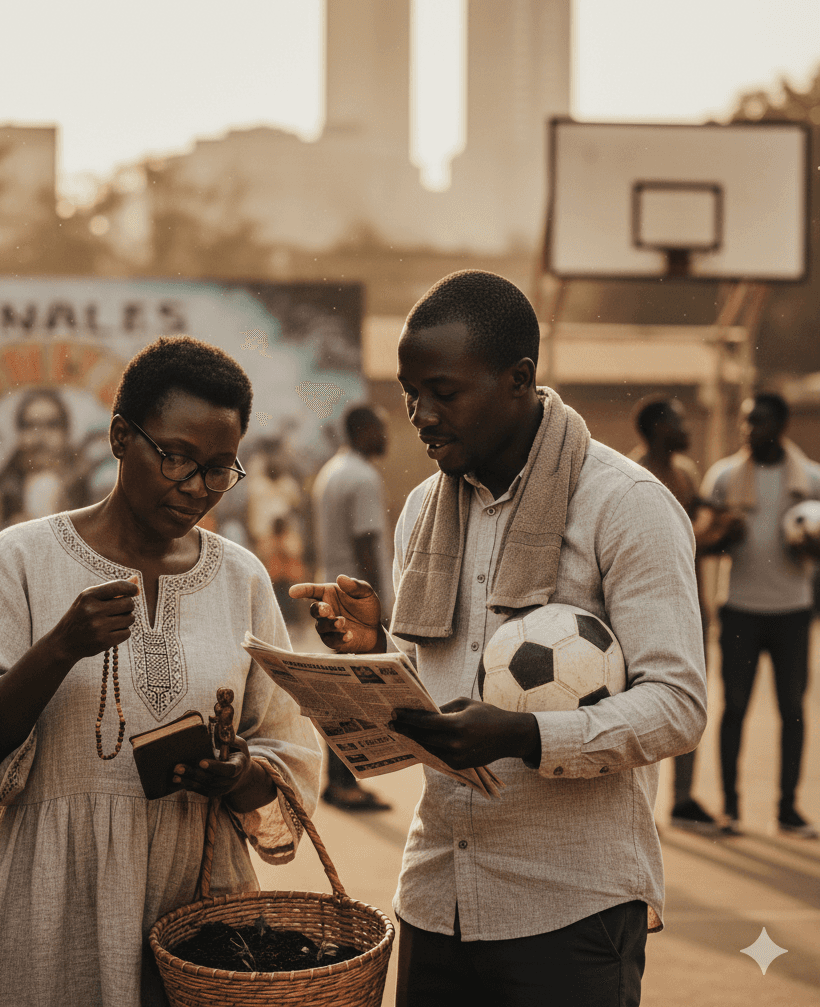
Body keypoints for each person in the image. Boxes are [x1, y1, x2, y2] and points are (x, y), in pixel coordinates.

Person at [292, 271, 706, 1007]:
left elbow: (677, 705)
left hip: (569, 905)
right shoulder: (422, 508)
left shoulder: (627, 506)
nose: (419, 413)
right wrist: (372, 648)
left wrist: (525, 736)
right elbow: (433, 680)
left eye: (443, 392)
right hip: (433, 895)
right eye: (409, 391)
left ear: (519, 380)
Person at [0, 335, 322, 1007]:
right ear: (118, 438)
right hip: (50, 896)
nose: (196, 487)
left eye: (219, 468)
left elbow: (285, 751)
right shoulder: (20, 559)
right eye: (175, 457)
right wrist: (58, 649)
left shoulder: (242, 579)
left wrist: (241, 773)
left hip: (196, 911)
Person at [698, 392, 820, 839]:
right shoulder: (726, 476)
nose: (749, 430)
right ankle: (730, 809)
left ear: (782, 425)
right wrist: (723, 536)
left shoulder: (809, 479)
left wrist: (811, 547)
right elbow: (701, 545)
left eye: (760, 422)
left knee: (793, 712)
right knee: (734, 710)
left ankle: (788, 810)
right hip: (740, 612)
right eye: (746, 421)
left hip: (792, 611)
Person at [629, 395, 717, 833]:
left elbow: (692, 534)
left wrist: (719, 528)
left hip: (692, 606)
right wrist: (712, 535)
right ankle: (642, 801)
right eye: (678, 420)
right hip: (645, 610)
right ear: (656, 428)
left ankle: (683, 799)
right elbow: (660, 544)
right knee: (644, 704)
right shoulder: (635, 477)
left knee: (689, 701)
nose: (687, 427)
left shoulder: (686, 473)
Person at [310, 404, 393, 811]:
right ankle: (343, 784)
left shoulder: (331, 472)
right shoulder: (362, 476)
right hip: (357, 603)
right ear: (363, 430)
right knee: (359, 695)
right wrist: (375, 609)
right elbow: (366, 545)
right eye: (381, 427)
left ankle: (339, 781)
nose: (387, 436)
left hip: (334, 597)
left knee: (346, 694)